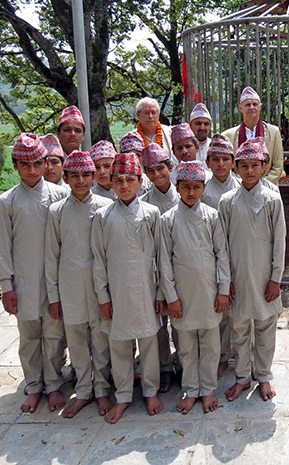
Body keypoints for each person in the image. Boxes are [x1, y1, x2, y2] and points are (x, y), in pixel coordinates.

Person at [91, 152, 163, 423]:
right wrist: (103, 296)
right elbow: (98, 260)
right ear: (110, 181)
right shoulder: (102, 216)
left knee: (149, 345)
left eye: (130, 180)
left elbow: (161, 257)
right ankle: (122, 396)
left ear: (140, 180)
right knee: (119, 346)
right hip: (116, 293)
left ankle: (151, 391)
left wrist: (160, 293)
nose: (124, 186)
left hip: (145, 291)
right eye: (118, 180)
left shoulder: (151, 213)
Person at [0, 133, 69, 413]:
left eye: (37, 163)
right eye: (24, 164)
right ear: (15, 165)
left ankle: (53, 384)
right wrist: (6, 286)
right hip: (24, 282)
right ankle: (33, 385)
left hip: (56, 281)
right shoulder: (7, 202)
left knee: (54, 335)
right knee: (29, 336)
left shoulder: (60, 195)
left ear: (45, 163)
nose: (32, 170)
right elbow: (3, 246)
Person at [45, 150, 113, 418]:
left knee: (100, 340)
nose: (82, 181)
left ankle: (102, 390)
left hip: (99, 287)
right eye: (75, 176)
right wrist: (53, 296)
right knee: (76, 342)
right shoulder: (57, 211)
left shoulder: (105, 207)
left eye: (86, 175)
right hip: (70, 286)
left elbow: (108, 254)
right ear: (67, 177)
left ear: (94, 175)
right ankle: (83, 391)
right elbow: (52, 256)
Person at [218, 139, 286, 402]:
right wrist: (226, 282)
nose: (249, 171)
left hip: (264, 278)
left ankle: (265, 376)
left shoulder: (272, 199)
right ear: (235, 167)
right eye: (243, 166)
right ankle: (242, 378)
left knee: (266, 329)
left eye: (254, 165)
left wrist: (275, 279)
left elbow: (280, 242)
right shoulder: (227, 202)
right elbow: (221, 245)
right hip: (237, 278)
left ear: (264, 166)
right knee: (239, 330)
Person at [160, 161, 230, 414]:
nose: (191, 192)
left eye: (196, 187)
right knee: (186, 347)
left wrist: (223, 290)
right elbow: (164, 261)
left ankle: (209, 389)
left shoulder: (212, 216)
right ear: (177, 187)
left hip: (210, 292)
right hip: (182, 295)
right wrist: (171, 297)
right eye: (186, 186)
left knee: (211, 346)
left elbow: (222, 255)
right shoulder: (168, 219)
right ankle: (191, 389)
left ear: (203, 187)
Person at [140, 143, 179, 392]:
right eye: (150, 171)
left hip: (184, 271)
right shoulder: (145, 204)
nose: (156, 175)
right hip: (155, 274)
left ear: (170, 167)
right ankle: (164, 367)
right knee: (159, 325)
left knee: (181, 323)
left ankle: (185, 365)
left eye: (160, 169)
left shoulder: (186, 194)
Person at [201, 134, 240, 378]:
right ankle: (222, 355)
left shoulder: (240, 187)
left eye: (226, 159)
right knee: (220, 311)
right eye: (216, 159)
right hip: (212, 257)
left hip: (238, 254)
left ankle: (244, 353)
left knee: (241, 311)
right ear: (207, 162)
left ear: (233, 162)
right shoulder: (203, 189)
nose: (221, 164)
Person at [223, 86, 284, 184]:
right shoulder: (229, 135)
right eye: (247, 104)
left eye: (254, 104)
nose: (252, 107)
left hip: (267, 189)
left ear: (260, 107)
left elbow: (278, 166)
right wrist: (243, 183)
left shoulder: (274, 132)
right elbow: (227, 168)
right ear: (240, 108)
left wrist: (260, 185)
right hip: (238, 188)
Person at [119, 131, 152, 195]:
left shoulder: (151, 182)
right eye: (128, 156)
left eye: (137, 155)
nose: (133, 159)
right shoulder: (116, 183)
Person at [188, 103, 212, 168]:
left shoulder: (214, 146)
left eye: (206, 124)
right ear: (190, 125)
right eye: (198, 124)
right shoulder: (184, 148)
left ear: (210, 126)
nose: (202, 128)